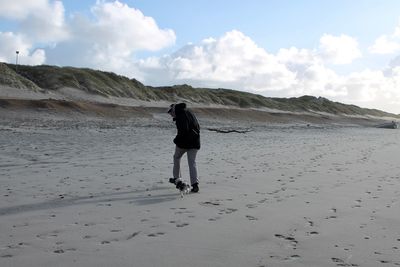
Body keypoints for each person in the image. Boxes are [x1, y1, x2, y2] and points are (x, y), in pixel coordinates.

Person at [167, 103, 200, 193]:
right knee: (192, 163)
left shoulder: (180, 116)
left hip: (184, 143)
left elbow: (182, 132)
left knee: (176, 158)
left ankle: (177, 179)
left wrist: (176, 140)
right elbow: (197, 127)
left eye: (170, 112)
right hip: (195, 142)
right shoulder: (190, 112)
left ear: (174, 110)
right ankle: (195, 185)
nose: (170, 114)